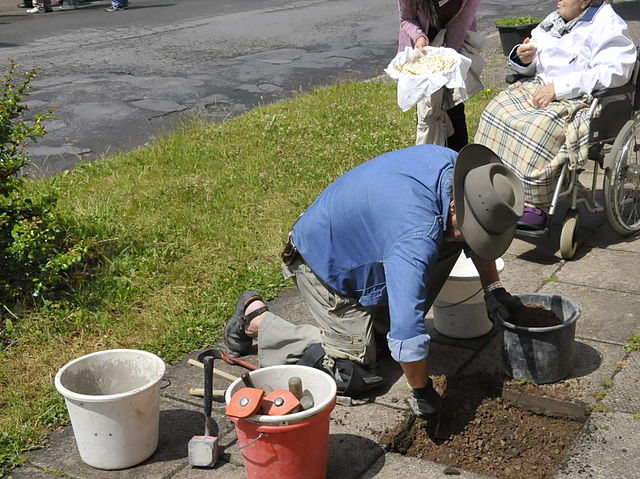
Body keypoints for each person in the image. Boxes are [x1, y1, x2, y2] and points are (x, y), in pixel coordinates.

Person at [222, 144, 525, 420]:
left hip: (368, 247)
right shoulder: (415, 236)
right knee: (354, 376)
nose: (475, 238)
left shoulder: (460, 175)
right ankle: (257, 319)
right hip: (322, 265)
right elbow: (408, 333)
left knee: (450, 243)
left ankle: (375, 325)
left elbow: (474, 238)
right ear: (458, 206)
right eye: (473, 230)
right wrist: (421, 391)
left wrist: (492, 289)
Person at [474, 0, 636, 231]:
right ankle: (493, 188)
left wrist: (560, 87)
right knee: (495, 112)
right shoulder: (554, 21)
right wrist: (523, 58)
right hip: (541, 87)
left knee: (538, 127)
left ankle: (534, 203)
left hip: (577, 96)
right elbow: (537, 63)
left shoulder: (607, 24)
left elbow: (615, 72)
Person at [398, 0, 485, 152]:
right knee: (428, 108)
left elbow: (460, 24)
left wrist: (444, 63)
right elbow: (406, 19)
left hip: (454, 46)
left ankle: (457, 160)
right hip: (422, 50)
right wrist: (419, 36)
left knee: (454, 105)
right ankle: (431, 158)